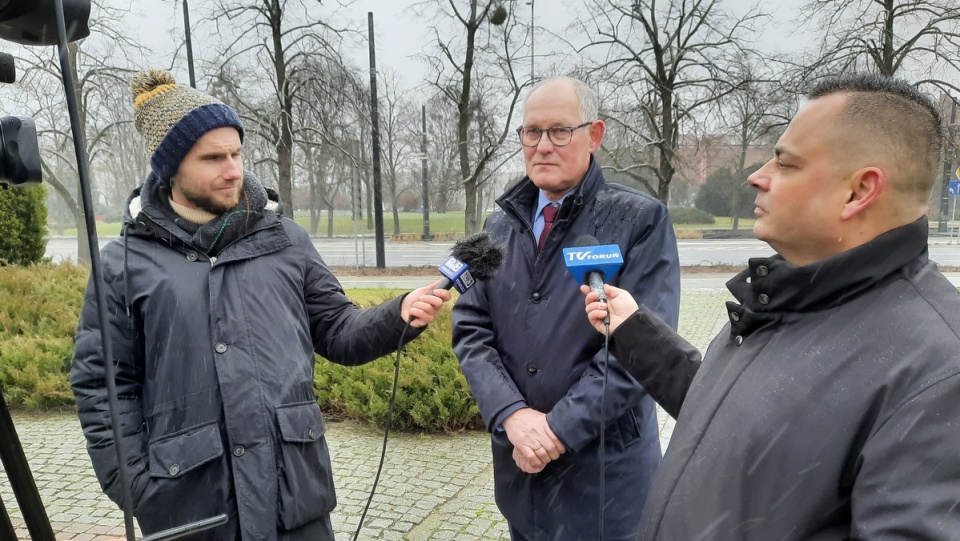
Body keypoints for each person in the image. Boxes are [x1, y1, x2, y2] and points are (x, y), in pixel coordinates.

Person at [69, 69, 452, 541]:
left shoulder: (286, 240)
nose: (233, 169)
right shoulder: (124, 264)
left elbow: (336, 329)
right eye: (213, 158)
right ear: (170, 167)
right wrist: (136, 486)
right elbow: (103, 384)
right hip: (190, 512)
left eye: (236, 153)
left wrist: (398, 314)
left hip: (294, 502)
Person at [583, 73, 960, 540]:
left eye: (786, 163)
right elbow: (745, 417)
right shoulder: (789, 291)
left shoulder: (941, 372)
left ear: (859, 191)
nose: (756, 176)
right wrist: (634, 332)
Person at [452, 77, 681, 540]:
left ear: (593, 135)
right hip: (523, 476)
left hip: (605, 483)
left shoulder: (640, 220)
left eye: (560, 131)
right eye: (531, 132)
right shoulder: (497, 227)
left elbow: (640, 351)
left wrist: (555, 431)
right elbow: (472, 330)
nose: (542, 146)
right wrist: (512, 415)